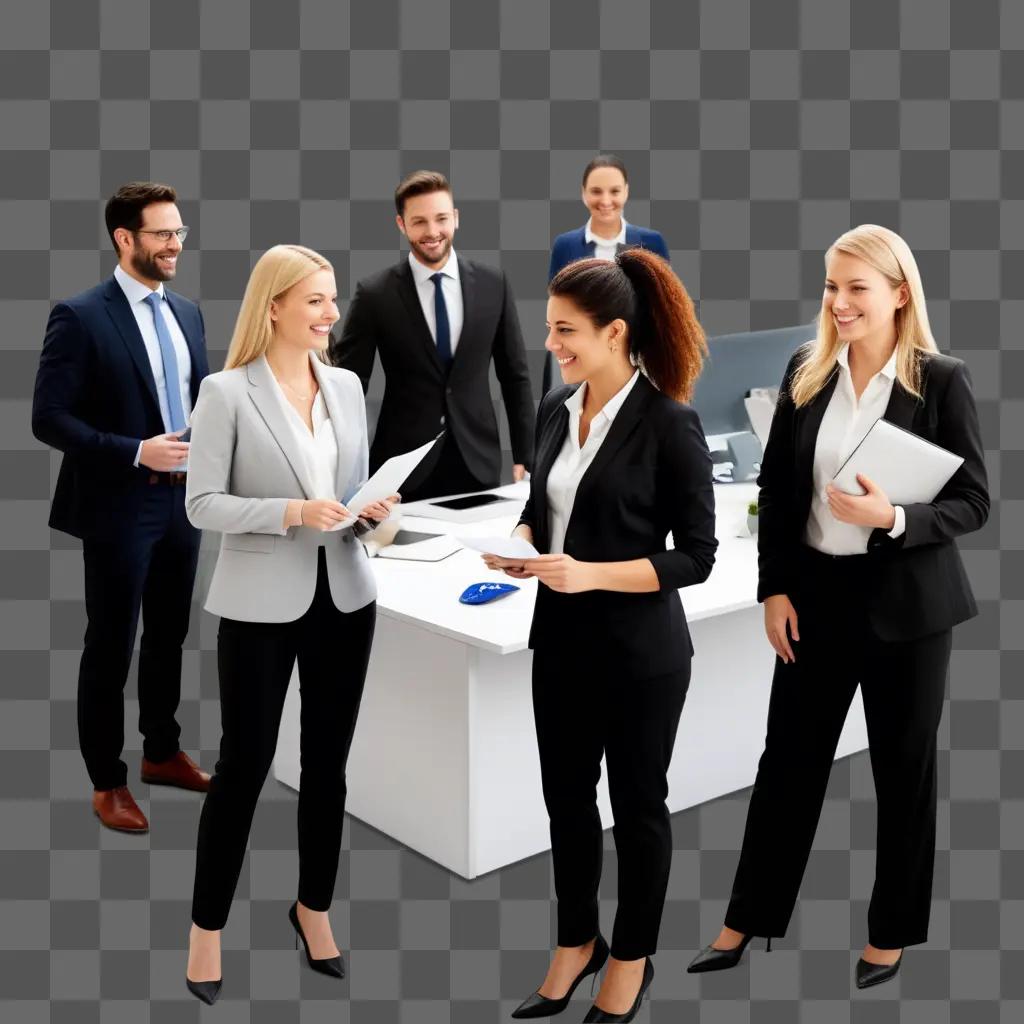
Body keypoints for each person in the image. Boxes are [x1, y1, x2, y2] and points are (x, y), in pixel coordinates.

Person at [688, 225, 990, 989]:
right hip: (815, 600)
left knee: (903, 772)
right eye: (832, 286)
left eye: (858, 287)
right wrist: (774, 589)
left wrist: (892, 519)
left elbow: (975, 502)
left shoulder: (941, 380)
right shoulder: (807, 371)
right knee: (788, 764)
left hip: (908, 611)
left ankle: (890, 934)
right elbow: (781, 492)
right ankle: (745, 920)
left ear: (898, 293)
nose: (841, 302)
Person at [485, 249, 717, 1021]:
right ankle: (574, 942)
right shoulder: (557, 407)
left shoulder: (671, 423)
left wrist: (588, 572)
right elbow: (546, 510)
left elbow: (697, 558)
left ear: (615, 332)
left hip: (641, 658)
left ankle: (631, 956)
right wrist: (521, 541)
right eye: (549, 329)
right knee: (566, 804)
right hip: (560, 646)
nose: (551, 344)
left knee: (638, 808)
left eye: (565, 331)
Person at [182, 245, 397, 1005]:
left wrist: (376, 514)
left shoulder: (342, 385)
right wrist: (291, 514)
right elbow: (200, 504)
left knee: (329, 767)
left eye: (333, 300)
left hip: (345, 596)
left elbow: (355, 500)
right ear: (272, 305)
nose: (331, 314)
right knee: (242, 767)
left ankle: (313, 908)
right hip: (259, 605)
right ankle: (206, 927)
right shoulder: (225, 392)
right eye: (315, 301)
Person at [31, 182, 211, 833]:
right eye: (163, 234)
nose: (175, 245)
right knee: (110, 644)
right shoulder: (79, 315)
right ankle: (108, 781)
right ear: (125, 238)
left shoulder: (188, 312)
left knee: (170, 634)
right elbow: (47, 418)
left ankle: (161, 752)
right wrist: (136, 451)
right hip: (117, 505)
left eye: (179, 233)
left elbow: (203, 403)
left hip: (183, 505)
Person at [329, 170, 535, 501]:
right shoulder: (375, 293)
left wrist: (527, 451)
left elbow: (515, 375)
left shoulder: (493, 283)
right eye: (419, 221)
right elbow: (349, 383)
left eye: (441, 218)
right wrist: (340, 465)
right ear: (401, 224)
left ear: (455, 218)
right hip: (401, 467)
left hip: (477, 460)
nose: (432, 231)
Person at [541, 154, 670, 396]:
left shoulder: (651, 242)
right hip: (581, 354)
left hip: (637, 356)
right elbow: (558, 306)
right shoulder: (565, 245)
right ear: (583, 193)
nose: (606, 200)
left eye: (614, 191)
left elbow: (663, 307)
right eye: (596, 191)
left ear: (627, 192)